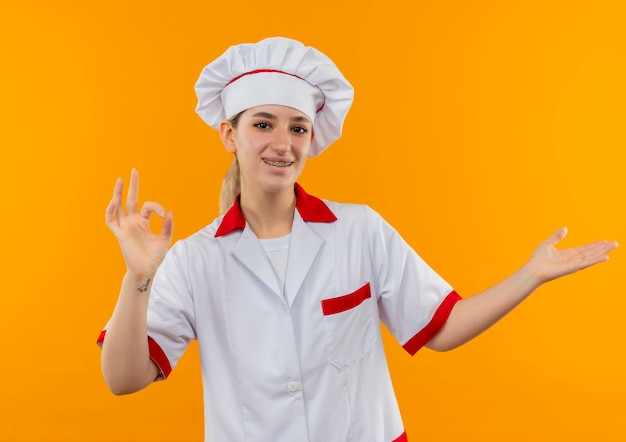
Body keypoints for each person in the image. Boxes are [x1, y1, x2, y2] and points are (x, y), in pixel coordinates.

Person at [98, 37, 617, 442]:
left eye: (299, 128)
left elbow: (442, 327)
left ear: (312, 139)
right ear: (229, 135)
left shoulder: (360, 231)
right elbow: (124, 378)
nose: (283, 144)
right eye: (263, 124)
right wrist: (138, 277)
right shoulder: (195, 258)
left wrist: (532, 274)